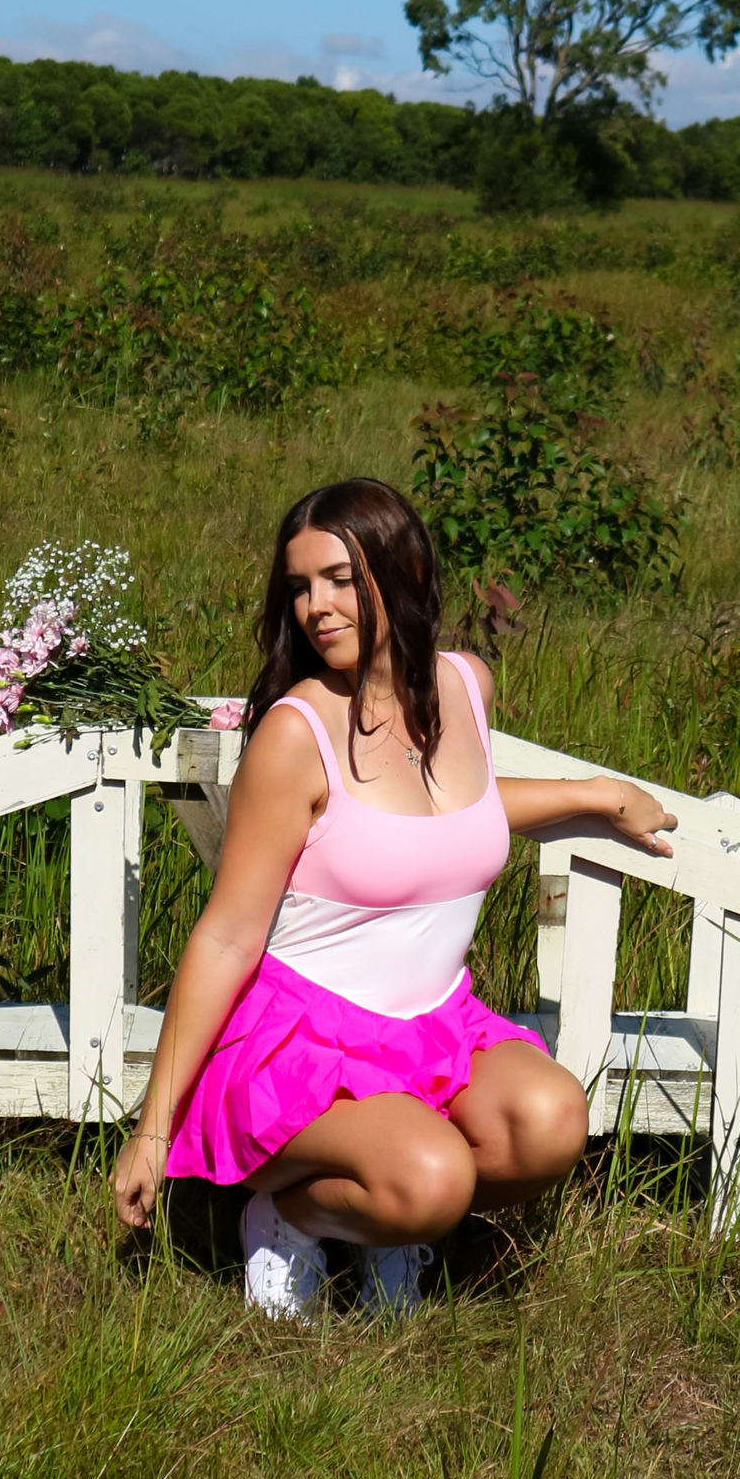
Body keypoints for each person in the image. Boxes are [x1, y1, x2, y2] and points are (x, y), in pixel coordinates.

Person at [112, 478, 676, 1319]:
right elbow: (227, 936)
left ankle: (383, 1218)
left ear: (401, 566)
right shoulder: (295, 736)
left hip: (433, 1026)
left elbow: (450, 816)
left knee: (552, 1122)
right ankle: (291, 1217)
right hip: (299, 1046)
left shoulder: (463, 684)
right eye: (300, 587)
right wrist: (152, 1130)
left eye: (340, 579)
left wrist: (591, 792)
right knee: (437, 1178)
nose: (316, 607)